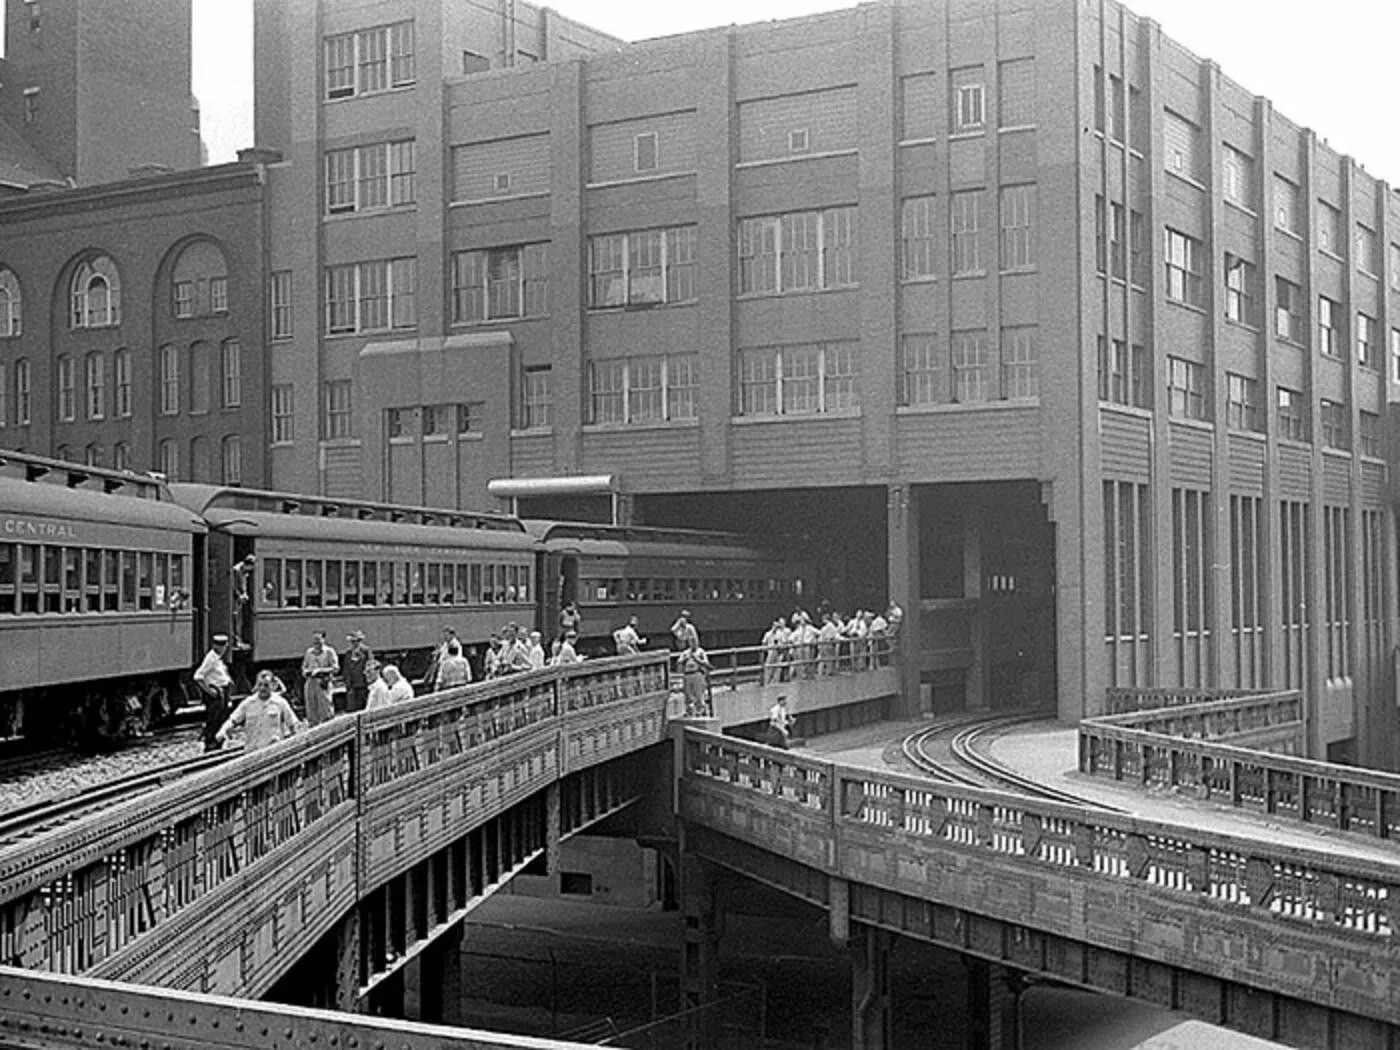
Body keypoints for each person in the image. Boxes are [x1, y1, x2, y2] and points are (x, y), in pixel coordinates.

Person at [216, 669, 301, 752]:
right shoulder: (248, 703)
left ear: (272, 685)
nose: (262, 688)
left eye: (266, 685)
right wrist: (223, 731)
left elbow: (293, 724)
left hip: (273, 752)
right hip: (252, 751)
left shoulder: (280, 703)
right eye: (260, 685)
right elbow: (233, 720)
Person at [193, 633, 233, 752]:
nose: (225, 648)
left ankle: (217, 743)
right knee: (214, 720)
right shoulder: (211, 658)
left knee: (220, 719)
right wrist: (210, 692)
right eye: (223, 646)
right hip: (216, 694)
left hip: (222, 692)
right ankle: (211, 743)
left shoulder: (217, 658)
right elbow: (198, 676)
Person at [300, 630, 339, 726]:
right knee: (311, 707)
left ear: (323, 639)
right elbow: (304, 666)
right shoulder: (309, 652)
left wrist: (321, 670)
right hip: (310, 682)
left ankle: (328, 727)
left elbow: (335, 668)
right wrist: (306, 671)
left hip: (323, 682)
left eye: (318, 640)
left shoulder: (329, 651)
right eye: (314, 640)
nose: (316, 643)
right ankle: (313, 726)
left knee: (325, 708)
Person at [342, 630, 374, 713]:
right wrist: (347, 682)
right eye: (352, 642)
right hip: (352, 684)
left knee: (362, 706)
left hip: (363, 683)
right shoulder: (348, 653)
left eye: (356, 641)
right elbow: (346, 668)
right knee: (352, 707)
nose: (354, 643)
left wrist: (368, 680)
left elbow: (370, 665)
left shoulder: (366, 651)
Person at [678, 635, 711, 716]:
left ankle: (700, 710)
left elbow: (706, 663)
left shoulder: (701, 652)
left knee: (698, 694)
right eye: (691, 642)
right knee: (688, 694)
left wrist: (697, 659)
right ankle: (689, 710)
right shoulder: (685, 653)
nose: (693, 644)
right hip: (687, 675)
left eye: (694, 642)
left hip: (697, 673)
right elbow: (679, 662)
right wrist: (685, 659)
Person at [761, 617, 787, 685]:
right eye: (774, 626)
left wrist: (780, 646)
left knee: (777, 669)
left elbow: (784, 642)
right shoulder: (768, 634)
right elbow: (764, 642)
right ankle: (766, 682)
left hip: (778, 653)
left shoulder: (780, 634)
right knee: (768, 668)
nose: (776, 628)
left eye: (777, 626)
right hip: (770, 653)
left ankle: (775, 683)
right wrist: (765, 649)